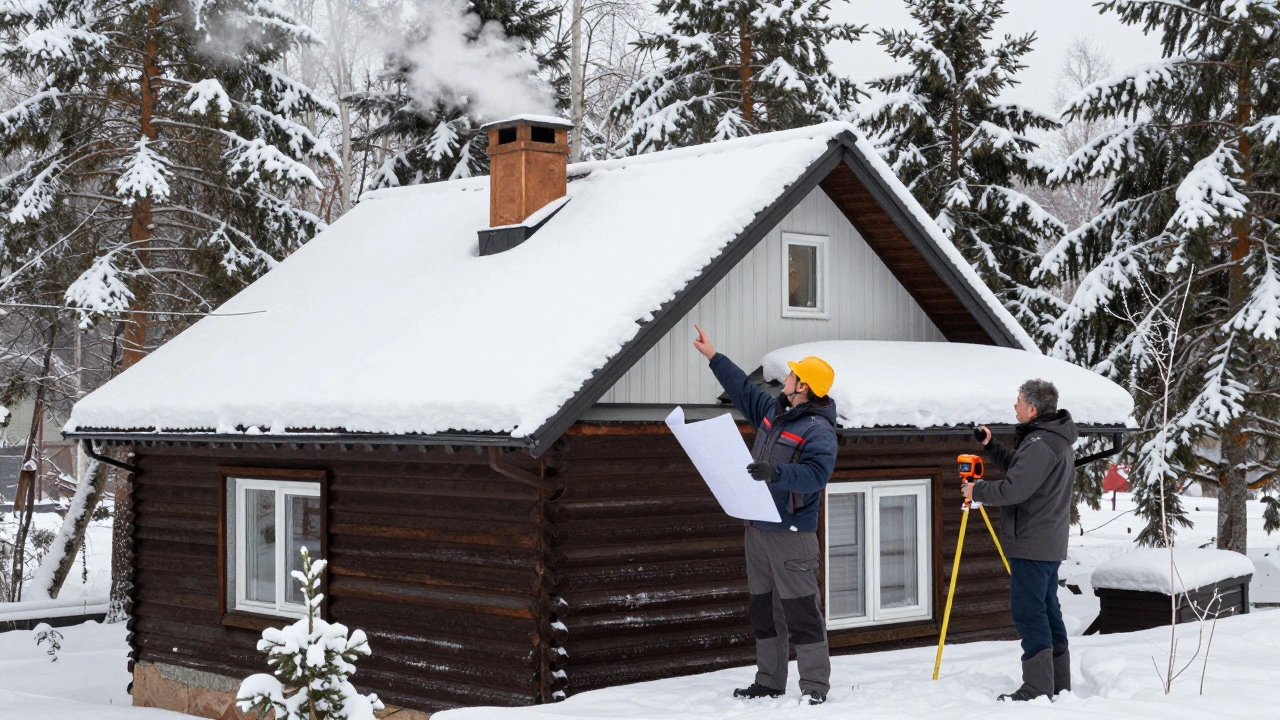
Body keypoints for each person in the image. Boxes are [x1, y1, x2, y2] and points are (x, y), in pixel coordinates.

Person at [692, 325, 838, 706]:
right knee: (762, 608)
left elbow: (817, 476)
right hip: (756, 527)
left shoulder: (818, 430)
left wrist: (777, 474)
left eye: (791, 374)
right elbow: (743, 390)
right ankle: (770, 680)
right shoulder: (776, 413)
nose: (784, 377)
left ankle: (815, 687)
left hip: (791, 532)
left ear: (803, 386)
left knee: (802, 610)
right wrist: (714, 357)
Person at [962, 379, 1077, 701]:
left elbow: (1015, 489)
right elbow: (1023, 471)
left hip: (1032, 540)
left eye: (1018, 401)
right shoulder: (1050, 439)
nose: (1014, 406)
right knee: (1046, 610)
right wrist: (991, 446)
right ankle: (1057, 683)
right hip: (1046, 540)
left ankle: (1037, 687)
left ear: (1033, 408)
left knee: (1029, 613)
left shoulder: (1040, 443)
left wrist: (978, 490)